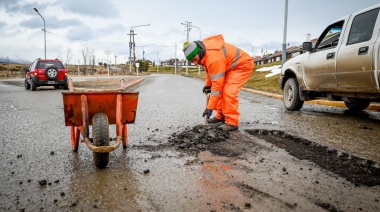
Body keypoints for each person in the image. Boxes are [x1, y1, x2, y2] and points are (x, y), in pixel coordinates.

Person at [183, 34, 254, 131]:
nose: (195, 63)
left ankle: (232, 122)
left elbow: (216, 86)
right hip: (229, 67)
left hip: (242, 65)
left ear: (199, 52)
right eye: (192, 62)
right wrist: (208, 85)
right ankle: (221, 116)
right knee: (218, 91)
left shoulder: (213, 57)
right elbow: (210, 72)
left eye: (194, 59)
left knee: (228, 91)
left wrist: (209, 108)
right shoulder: (204, 53)